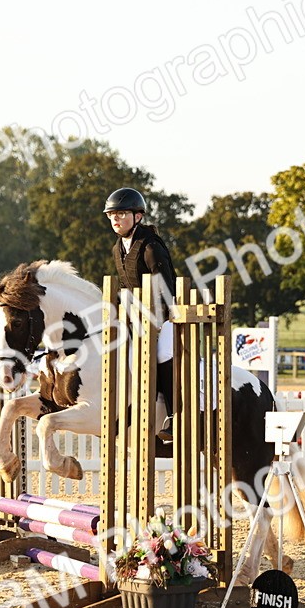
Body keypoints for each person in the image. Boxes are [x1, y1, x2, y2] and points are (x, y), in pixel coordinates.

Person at [106, 187, 177, 441]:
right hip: (137, 316)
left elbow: (165, 287)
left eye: (121, 214)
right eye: (112, 215)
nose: (115, 219)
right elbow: (125, 287)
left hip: (167, 315)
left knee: (161, 353)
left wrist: (156, 319)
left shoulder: (150, 246)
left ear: (138, 216)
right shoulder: (118, 248)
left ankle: (174, 415)